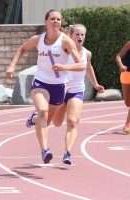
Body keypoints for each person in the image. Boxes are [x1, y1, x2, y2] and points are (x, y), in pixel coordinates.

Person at [6, 9, 84, 164]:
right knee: (43, 111)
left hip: (59, 86)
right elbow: (22, 49)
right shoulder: (38, 39)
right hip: (40, 82)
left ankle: (33, 118)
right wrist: (12, 66)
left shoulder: (66, 41)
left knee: (46, 121)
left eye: (59, 19)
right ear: (46, 22)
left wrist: (65, 67)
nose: (56, 21)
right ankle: (45, 150)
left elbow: (81, 65)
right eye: (53, 19)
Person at [52, 24, 104, 165]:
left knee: (72, 122)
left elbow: (89, 68)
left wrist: (95, 84)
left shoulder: (87, 53)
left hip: (77, 91)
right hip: (61, 91)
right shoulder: (63, 51)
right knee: (56, 123)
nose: (80, 37)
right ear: (71, 35)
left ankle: (67, 153)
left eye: (82, 35)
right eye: (77, 34)